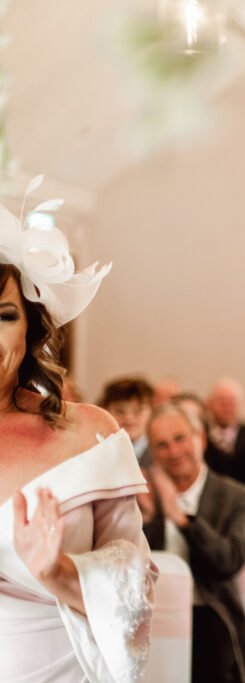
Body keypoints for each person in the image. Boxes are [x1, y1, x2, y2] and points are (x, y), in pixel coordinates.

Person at [0, 200, 157, 682]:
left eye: (4, 315)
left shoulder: (87, 434)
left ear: (30, 328)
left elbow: (139, 591)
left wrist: (60, 572)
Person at [140, 404, 245, 683]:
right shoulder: (145, 495)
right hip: (154, 614)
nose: (173, 451)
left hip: (210, 612)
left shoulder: (235, 497)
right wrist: (150, 519)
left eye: (180, 439)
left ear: (201, 439)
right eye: (162, 445)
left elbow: (229, 561)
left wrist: (183, 520)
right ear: (153, 453)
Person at [98, 375, 156, 467]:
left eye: (137, 411)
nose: (128, 418)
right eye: (119, 411)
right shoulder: (97, 451)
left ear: (152, 412)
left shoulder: (160, 454)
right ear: (106, 411)